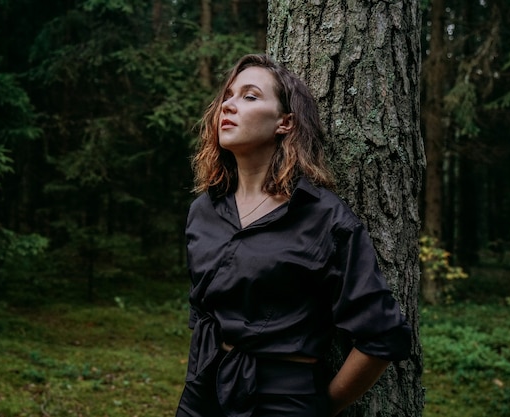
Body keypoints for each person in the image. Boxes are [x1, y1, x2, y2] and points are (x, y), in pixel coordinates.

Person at [175, 54, 412, 417]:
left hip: (283, 398)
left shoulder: (323, 217)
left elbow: (383, 335)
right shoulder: (203, 211)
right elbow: (203, 314)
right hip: (204, 389)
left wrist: (319, 406)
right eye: (228, 95)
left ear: (284, 123)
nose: (228, 105)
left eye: (250, 96)